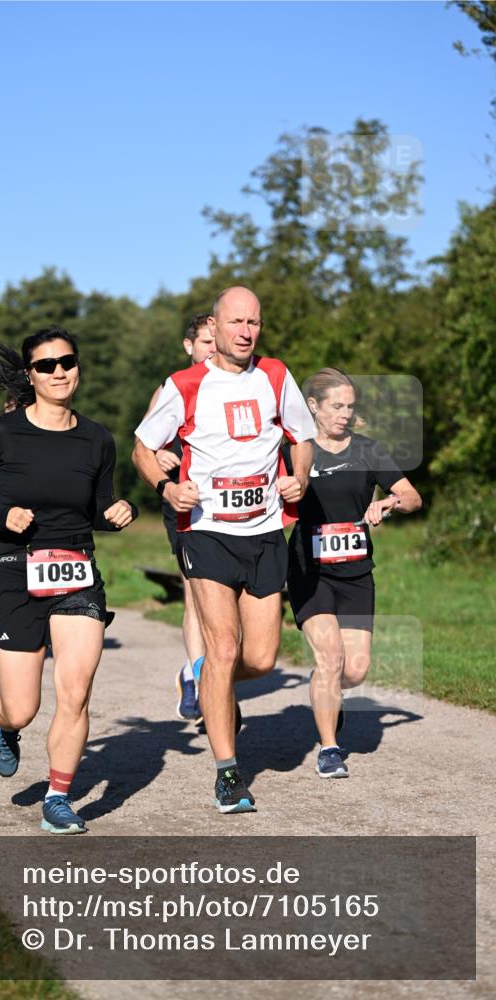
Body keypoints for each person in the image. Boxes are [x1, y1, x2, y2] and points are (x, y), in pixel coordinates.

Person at [0, 328, 137, 835]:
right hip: (16, 573)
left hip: (77, 573)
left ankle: (57, 796)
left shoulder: (98, 437)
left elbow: (96, 507)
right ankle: (3, 725)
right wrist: (1, 515)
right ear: (30, 376)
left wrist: (118, 510)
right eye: (46, 365)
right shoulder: (3, 434)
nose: (59, 372)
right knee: (22, 707)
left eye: (66, 362)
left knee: (75, 692)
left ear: (77, 366)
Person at [133, 286, 315, 814]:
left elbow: (301, 436)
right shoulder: (185, 384)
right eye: (236, 322)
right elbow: (144, 447)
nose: (245, 331)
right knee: (224, 647)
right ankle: (228, 773)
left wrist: (298, 477)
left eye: (253, 322)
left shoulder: (277, 376)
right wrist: (167, 489)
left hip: (262, 532)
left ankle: (207, 682)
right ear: (214, 327)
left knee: (259, 658)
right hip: (206, 531)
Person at [283, 368, 422, 778]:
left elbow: (412, 497)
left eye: (350, 406)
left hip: (357, 573)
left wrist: (389, 504)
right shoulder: (297, 450)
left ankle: (326, 693)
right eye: (336, 406)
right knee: (330, 658)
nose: (345, 414)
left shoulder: (368, 450)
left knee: (355, 670)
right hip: (311, 571)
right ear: (314, 406)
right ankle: (329, 748)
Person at [143, 313, 215, 722]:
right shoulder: (173, 388)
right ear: (189, 346)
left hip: (232, 505)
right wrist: (158, 455)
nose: (211, 348)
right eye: (204, 342)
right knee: (195, 589)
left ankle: (193, 671)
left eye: (214, 340)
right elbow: (143, 444)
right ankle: (201, 676)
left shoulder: (239, 384)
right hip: (185, 501)